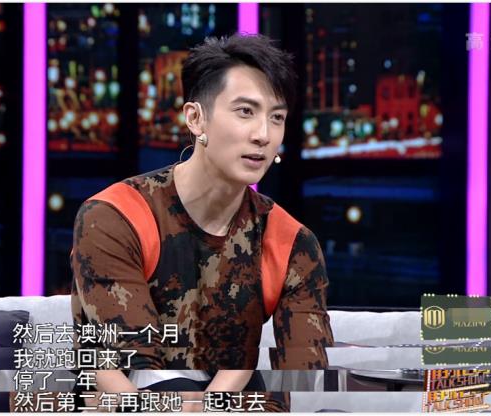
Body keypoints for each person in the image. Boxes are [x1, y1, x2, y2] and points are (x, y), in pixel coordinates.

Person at [70, 33, 334, 412]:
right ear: (195, 118)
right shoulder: (116, 216)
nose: (263, 135)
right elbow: (129, 367)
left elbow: (303, 377)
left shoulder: (292, 242)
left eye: (276, 117)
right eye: (245, 112)